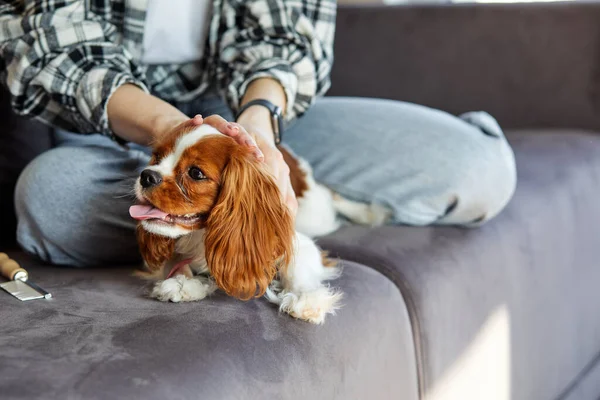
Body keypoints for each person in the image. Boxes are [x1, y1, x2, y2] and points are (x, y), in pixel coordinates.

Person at [0, 0, 516, 267]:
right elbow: (50, 50)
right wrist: (169, 128)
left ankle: (251, 221)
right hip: (118, 126)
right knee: (50, 198)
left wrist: (259, 125)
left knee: (477, 171)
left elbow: (287, 38)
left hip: (250, 112)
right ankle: (255, 227)